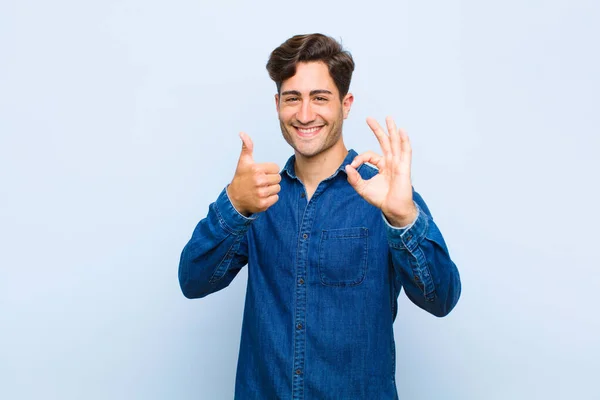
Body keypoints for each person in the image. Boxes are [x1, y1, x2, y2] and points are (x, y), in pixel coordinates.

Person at [179, 33, 461, 399]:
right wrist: (234, 205)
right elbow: (193, 281)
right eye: (293, 98)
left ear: (346, 105)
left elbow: (441, 299)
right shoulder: (255, 196)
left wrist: (404, 217)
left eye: (320, 98)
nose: (305, 114)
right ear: (278, 103)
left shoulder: (386, 196)